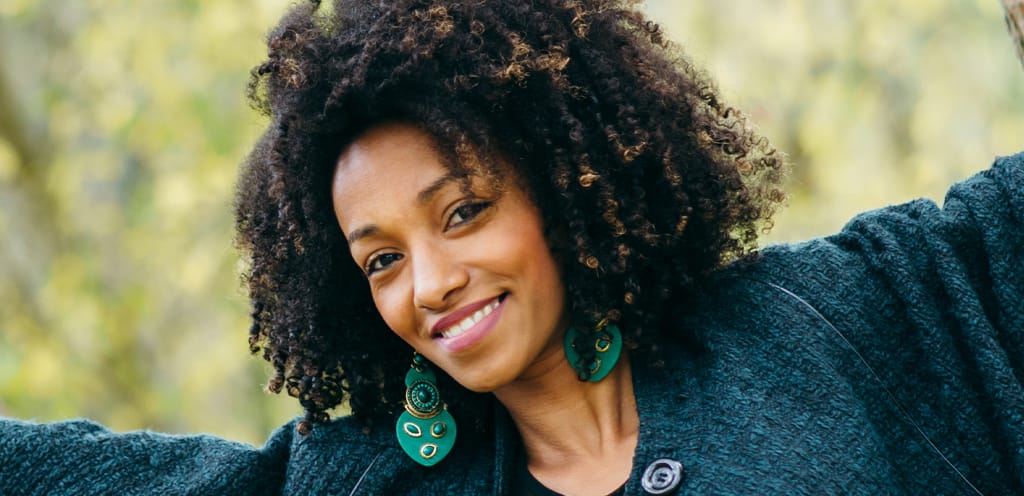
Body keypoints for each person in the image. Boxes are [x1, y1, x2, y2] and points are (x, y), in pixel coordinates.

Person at [2, 0, 1022, 494]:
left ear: (565, 188)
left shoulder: (830, 320)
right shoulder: (363, 483)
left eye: (461, 213)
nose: (432, 284)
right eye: (381, 259)